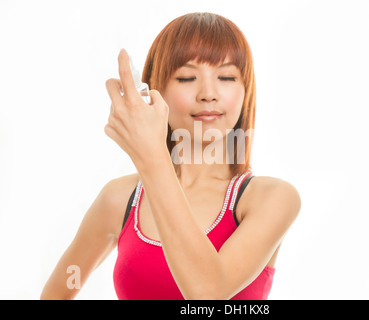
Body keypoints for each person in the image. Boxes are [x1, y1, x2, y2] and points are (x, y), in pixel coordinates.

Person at [41, 12, 301, 300]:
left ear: (245, 91)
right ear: (156, 92)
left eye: (226, 76)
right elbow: (60, 289)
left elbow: (207, 295)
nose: (208, 94)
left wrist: (151, 157)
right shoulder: (119, 199)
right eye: (187, 77)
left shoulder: (273, 198)